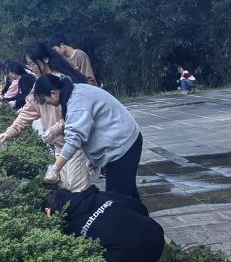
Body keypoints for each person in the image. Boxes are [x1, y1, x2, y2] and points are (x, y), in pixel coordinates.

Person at [33, 73, 146, 213]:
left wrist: (55, 169)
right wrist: (92, 159)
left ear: (53, 93)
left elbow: (74, 139)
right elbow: (88, 128)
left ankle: (133, 229)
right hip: (124, 140)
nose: (47, 104)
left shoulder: (77, 102)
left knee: (117, 199)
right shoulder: (74, 92)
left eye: (45, 100)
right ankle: (145, 226)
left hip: (123, 145)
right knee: (127, 193)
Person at [0, 46, 95, 191]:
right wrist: (9, 132)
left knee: (78, 192)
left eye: (32, 63)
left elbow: (77, 116)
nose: (30, 68)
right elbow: (28, 111)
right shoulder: (39, 84)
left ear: (45, 60)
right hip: (59, 147)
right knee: (67, 190)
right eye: (28, 64)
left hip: (75, 146)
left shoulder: (65, 81)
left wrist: (56, 128)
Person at [43, 185, 164, 262]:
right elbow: (138, 206)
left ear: (48, 211)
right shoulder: (99, 195)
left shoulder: (66, 228)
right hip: (156, 237)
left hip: (127, 259)